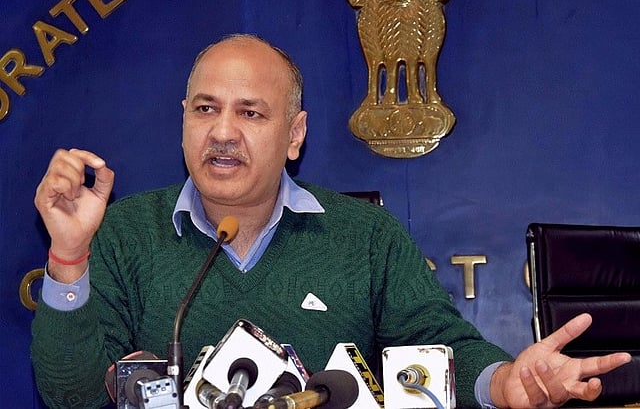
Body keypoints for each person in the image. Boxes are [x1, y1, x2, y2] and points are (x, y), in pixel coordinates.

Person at [32, 34, 630, 409]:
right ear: (183, 121)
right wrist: (68, 258)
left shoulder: (365, 237)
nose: (222, 132)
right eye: (205, 109)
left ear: (295, 135)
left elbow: (438, 347)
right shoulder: (124, 232)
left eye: (251, 113)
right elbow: (70, 398)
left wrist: (502, 384)